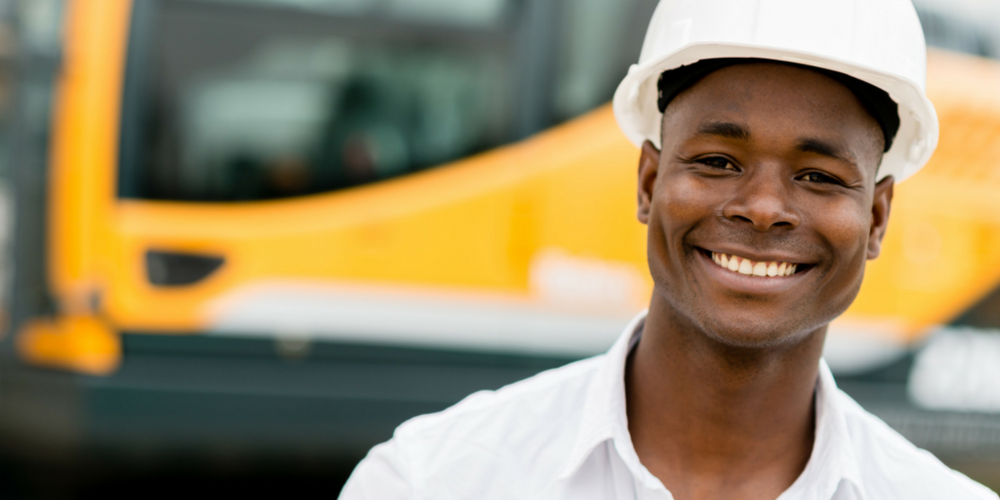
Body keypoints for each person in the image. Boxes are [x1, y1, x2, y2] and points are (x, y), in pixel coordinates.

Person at [339, 1, 999, 498]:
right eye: (717, 160)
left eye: (819, 176)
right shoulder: (436, 480)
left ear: (877, 216)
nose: (763, 208)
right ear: (649, 181)